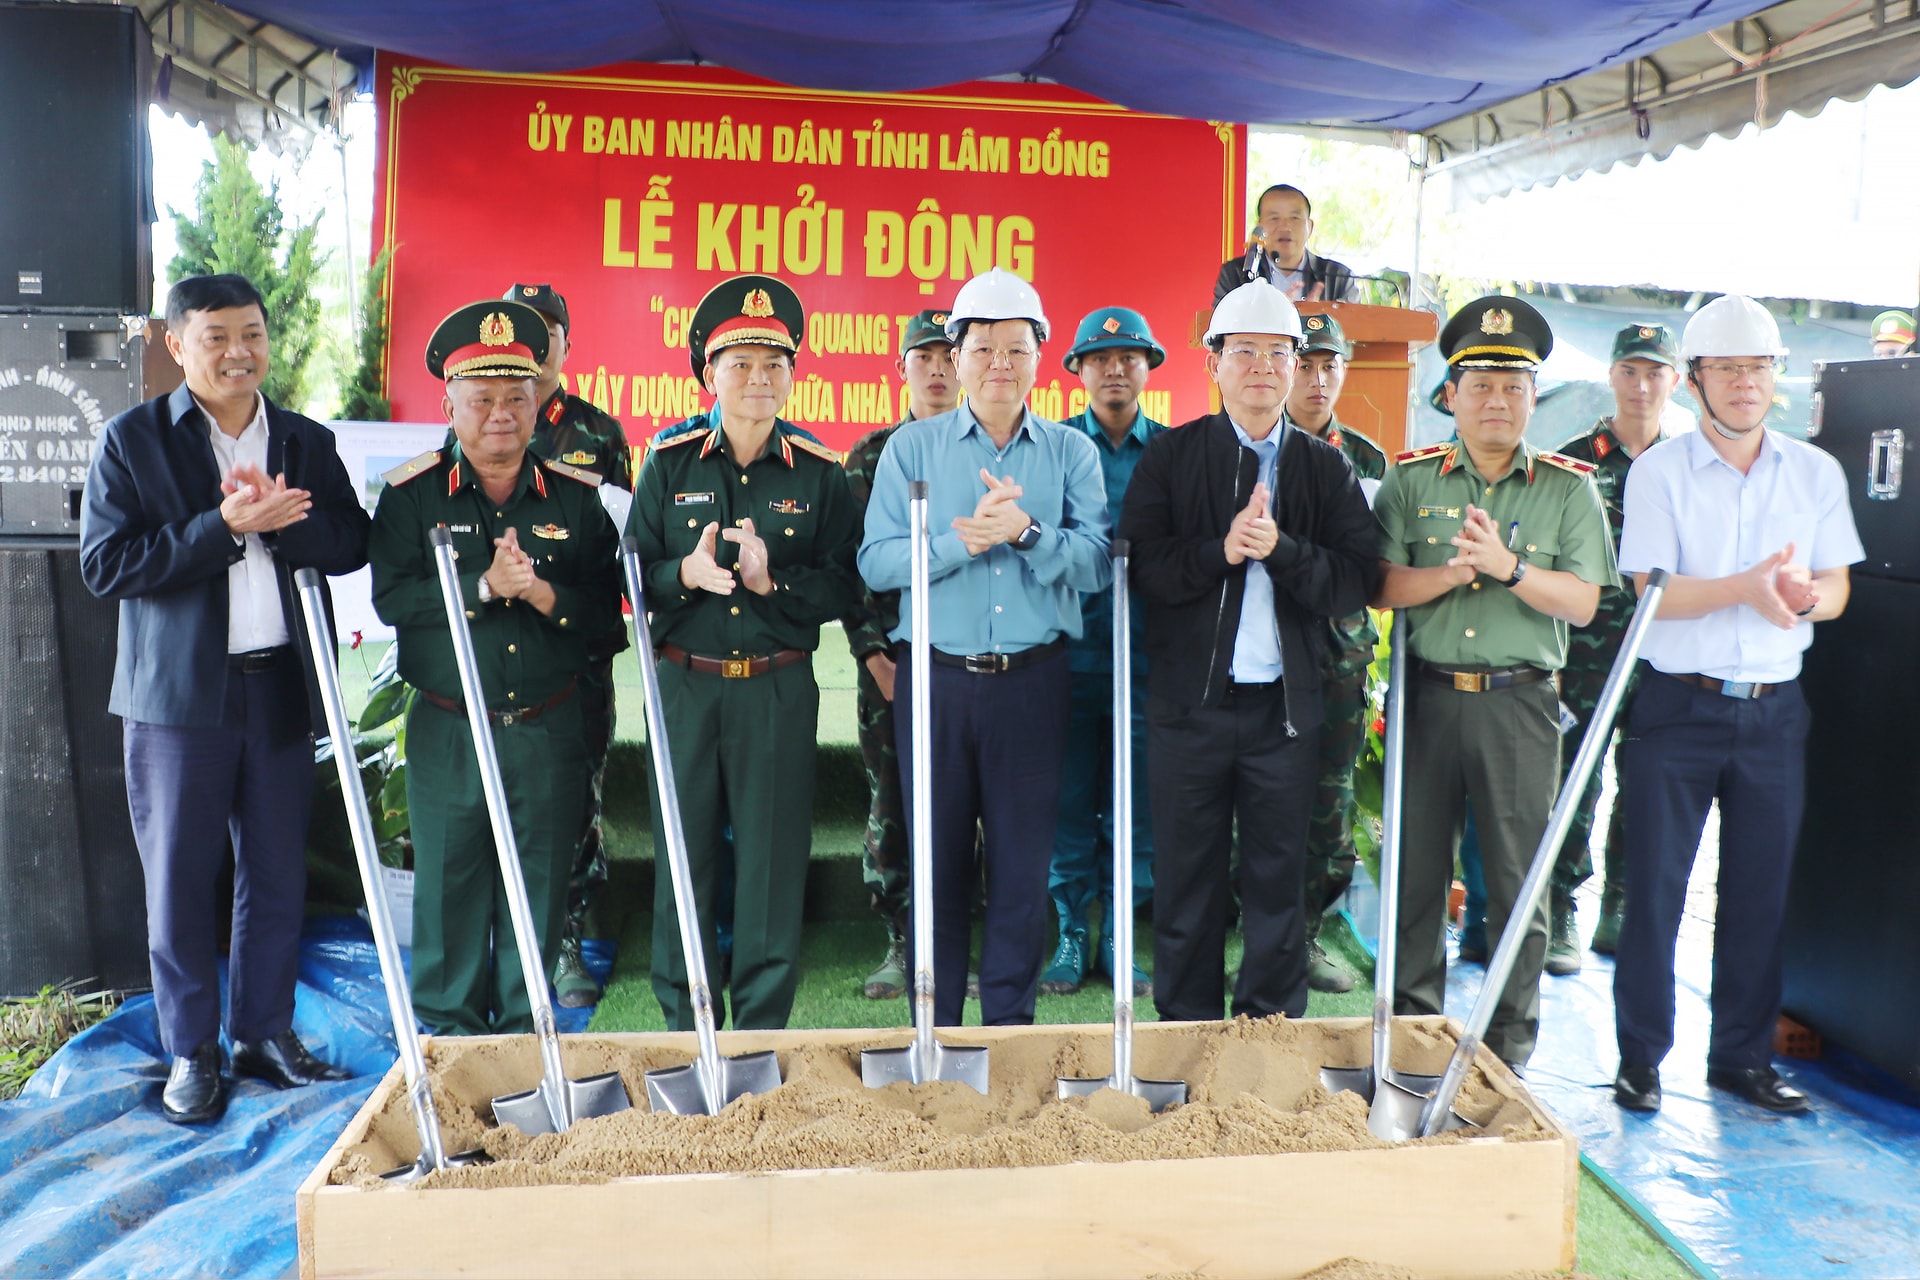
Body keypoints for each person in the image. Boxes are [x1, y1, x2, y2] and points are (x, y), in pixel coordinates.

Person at [80, 273, 366, 1124]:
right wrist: (224, 529)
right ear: (177, 345)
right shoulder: (134, 441)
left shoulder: (306, 442)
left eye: (252, 334)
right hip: (176, 704)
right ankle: (190, 1052)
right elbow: (107, 566)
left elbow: (349, 541)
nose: (239, 352)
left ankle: (264, 1035)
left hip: (277, 684)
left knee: (276, 873)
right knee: (178, 881)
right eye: (216, 337)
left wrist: (283, 525)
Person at [1611, 295, 1863, 1116]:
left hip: (1774, 712)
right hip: (1676, 710)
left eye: (1758, 368)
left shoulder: (1815, 473)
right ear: (1695, 382)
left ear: (1775, 378)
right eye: (1727, 368)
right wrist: (1747, 591)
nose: (1745, 383)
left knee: (1759, 891)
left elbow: (1837, 588)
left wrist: (1799, 597)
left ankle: (1741, 1060)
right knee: (1653, 890)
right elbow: (1649, 591)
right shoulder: (1658, 471)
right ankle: (1641, 1060)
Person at [858, 267, 1110, 1026]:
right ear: (956, 357)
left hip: (1033, 684)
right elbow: (876, 561)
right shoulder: (913, 448)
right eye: (983, 348)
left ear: (1040, 357)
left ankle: (1008, 1035)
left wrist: (1027, 533)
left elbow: (1097, 563)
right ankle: (933, 1035)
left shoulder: (1070, 453)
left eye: (1017, 348)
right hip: (936, 682)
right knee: (933, 866)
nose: (1000, 363)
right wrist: (956, 543)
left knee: (1020, 867)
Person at [1120, 281, 1378, 1022]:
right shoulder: (1173, 456)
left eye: (1278, 352)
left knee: (1278, 883)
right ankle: (1185, 1034)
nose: (1262, 367)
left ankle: (1265, 1040)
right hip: (1188, 713)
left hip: (1286, 716)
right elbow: (1142, 566)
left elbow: (1357, 579)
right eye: (1245, 352)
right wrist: (1220, 552)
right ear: (1214, 363)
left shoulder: (1326, 470)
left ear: (1297, 366)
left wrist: (1285, 550)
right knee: (1186, 881)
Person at [1372, 295, 1616, 1071]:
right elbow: (1380, 586)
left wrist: (1507, 568)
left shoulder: (1569, 487)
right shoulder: (1409, 483)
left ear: (1533, 399)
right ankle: (1412, 1044)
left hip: (1520, 704)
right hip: (1428, 699)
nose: (1498, 402)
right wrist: (1452, 571)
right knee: (1416, 883)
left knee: (1517, 886)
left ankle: (1508, 1056)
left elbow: (1580, 603)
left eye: (1515, 387)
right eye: (1480, 385)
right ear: (1450, 395)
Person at [368, 299, 620, 1035]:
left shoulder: (576, 499)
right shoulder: (412, 496)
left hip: (546, 728)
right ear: (449, 404)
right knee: (448, 892)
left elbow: (607, 615)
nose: (502, 414)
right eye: (482, 399)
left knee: (537, 891)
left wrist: (541, 591)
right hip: (449, 732)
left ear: (540, 400)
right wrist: (480, 586)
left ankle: (522, 1042)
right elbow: (391, 598)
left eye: (518, 396)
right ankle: (448, 1044)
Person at [628, 274, 860, 1031]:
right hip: (686, 687)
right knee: (682, 861)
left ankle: (760, 1032)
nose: (759, 380)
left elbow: (843, 586)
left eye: (774, 365)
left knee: (770, 862)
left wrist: (772, 584)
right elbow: (630, 572)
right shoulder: (667, 463)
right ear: (709, 377)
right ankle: (685, 1023)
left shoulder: (823, 475)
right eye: (741, 365)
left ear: (793, 376)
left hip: (776, 690)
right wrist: (682, 574)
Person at [504, 282, 632, 1009]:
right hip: (503, 642)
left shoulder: (597, 433)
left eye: (548, 329)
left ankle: (567, 941)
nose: (536, 339)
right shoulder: (477, 418)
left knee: (577, 793)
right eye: (523, 327)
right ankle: (513, 935)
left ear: (566, 344)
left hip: (576, 646)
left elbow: (621, 546)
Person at [1540, 323, 1681, 974]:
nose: (1643, 385)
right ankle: (1562, 904)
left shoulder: (1691, 465)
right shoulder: (1572, 462)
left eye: (1656, 372)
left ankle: (1620, 905)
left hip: (1664, 651)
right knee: (1575, 779)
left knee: (1647, 783)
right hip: (1585, 653)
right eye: (1631, 370)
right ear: (1612, 376)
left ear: (1676, 381)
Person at [1039, 306, 1169, 998]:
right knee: (1066, 800)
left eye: (1128, 359)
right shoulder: (1054, 448)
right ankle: (1069, 932)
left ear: (1148, 368)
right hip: (1064, 655)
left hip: (1148, 661)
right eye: (1100, 360)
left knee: (1135, 802)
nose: (1115, 370)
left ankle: (1120, 929)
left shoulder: (1175, 451)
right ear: (1078, 371)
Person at [842, 308, 961, 1000]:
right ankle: (900, 941)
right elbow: (852, 569)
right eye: (926, 357)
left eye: (950, 356)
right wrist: (875, 658)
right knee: (894, 802)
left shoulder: (985, 451)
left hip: (969, 665)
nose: (940, 369)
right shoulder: (871, 456)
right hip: (893, 665)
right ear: (903, 371)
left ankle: (950, 946)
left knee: (962, 808)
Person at [1284, 312, 1386, 994]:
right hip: (1265, 657)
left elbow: (1377, 568)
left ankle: (1306, 936)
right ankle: (1256, 930)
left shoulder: (1372, 461)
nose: (1319, 380)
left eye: (1331, 366)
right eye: (1307, 364)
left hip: (1342, 658)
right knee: (1252, 800)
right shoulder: (1252, 445)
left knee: (1330, 800)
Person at [1213, 185, 1360, 305]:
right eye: (1274, 218)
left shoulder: (1338, 276)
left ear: (1310, 227)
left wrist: (1315, 321)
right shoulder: (1236, 273)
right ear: (1260, 227)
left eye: (1295, 218)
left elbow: (1354, 332)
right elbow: (1219, 332)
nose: (1285, 227)